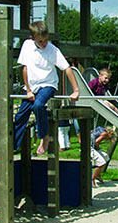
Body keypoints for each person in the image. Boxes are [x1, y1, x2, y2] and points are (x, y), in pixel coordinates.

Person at [14, 20, 80, 155]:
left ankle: (44, 137)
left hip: (48, 85)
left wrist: (76, 90)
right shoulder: (27, 45)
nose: (44, 43)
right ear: (32, 38)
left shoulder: (53, 50)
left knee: (38, 105)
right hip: (32, 86)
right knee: (21, 116)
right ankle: (11, 147)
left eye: (46, 40)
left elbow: (67, 68)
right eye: (40, 41)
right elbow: (25, 69)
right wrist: (28, 90)